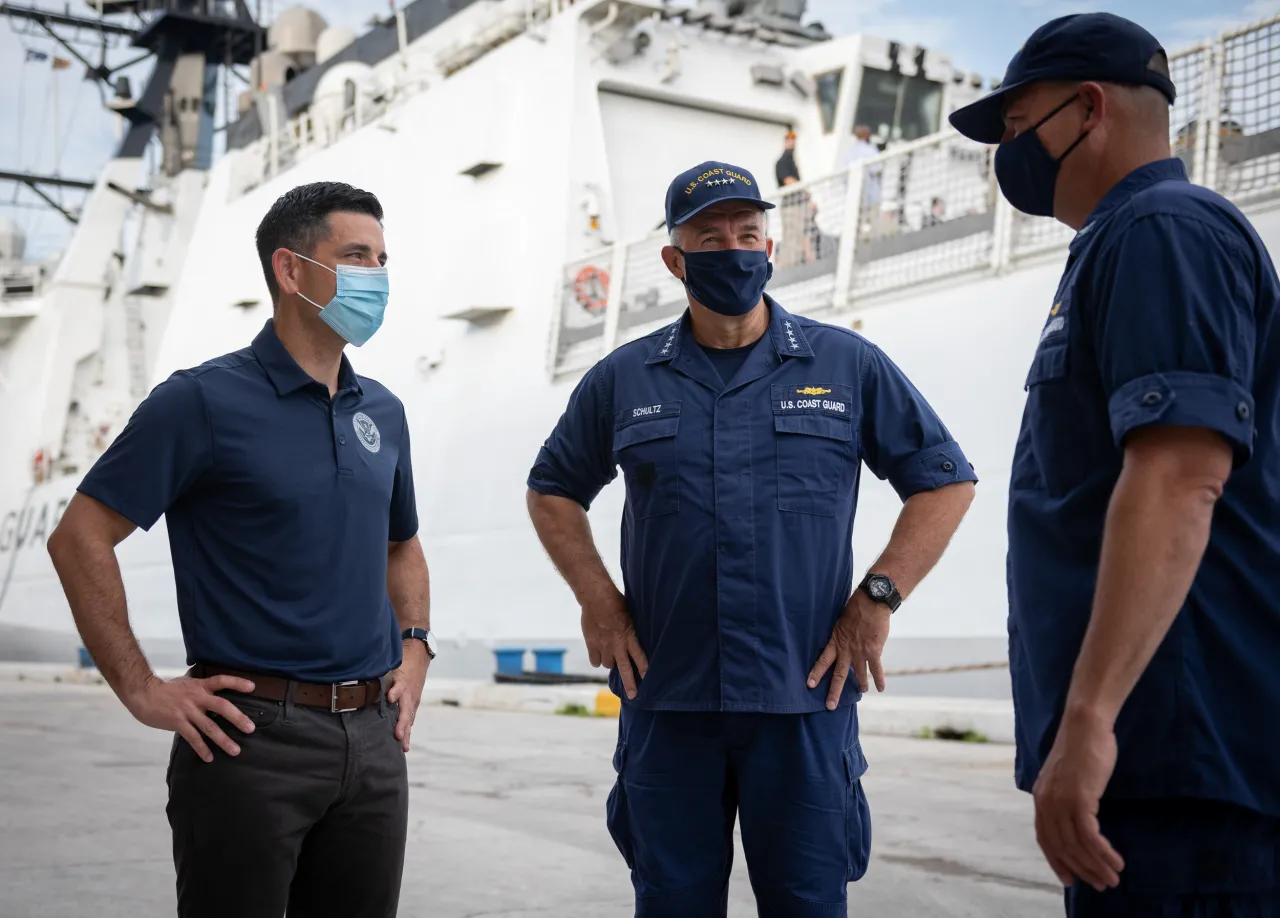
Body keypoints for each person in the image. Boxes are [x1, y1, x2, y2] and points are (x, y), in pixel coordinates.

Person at [525, 161, 977, 916]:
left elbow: (945, 480)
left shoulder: (845, 365)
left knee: (807, 904)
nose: (733, 249)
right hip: (668, 700)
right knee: (672, 904)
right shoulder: (623, 378)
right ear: (675, 260)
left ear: (770, 248)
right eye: (710, 237)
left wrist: (878, 597)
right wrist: (597, 600)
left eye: (747, 234)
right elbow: (553, 489)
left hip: (803, 701)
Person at [949, 12, 1280, 917]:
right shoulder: (1117, 244)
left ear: (1087, 108)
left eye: (1017, 129)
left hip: (1181, 759)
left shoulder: (1163, 231)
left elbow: (1181, 477)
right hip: (1159, 758)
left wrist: (1091, 723)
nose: (1006, 153)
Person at [45, 181, 435, 918]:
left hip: (376, 741)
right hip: (251, 741)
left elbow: (402, 544)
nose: (376, 278)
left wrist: (414, 648)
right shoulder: (200, 402)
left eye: (382, 260)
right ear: (291, 271)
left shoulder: (382, 410)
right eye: (356, 256)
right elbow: (79, 537)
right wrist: (140, 688)